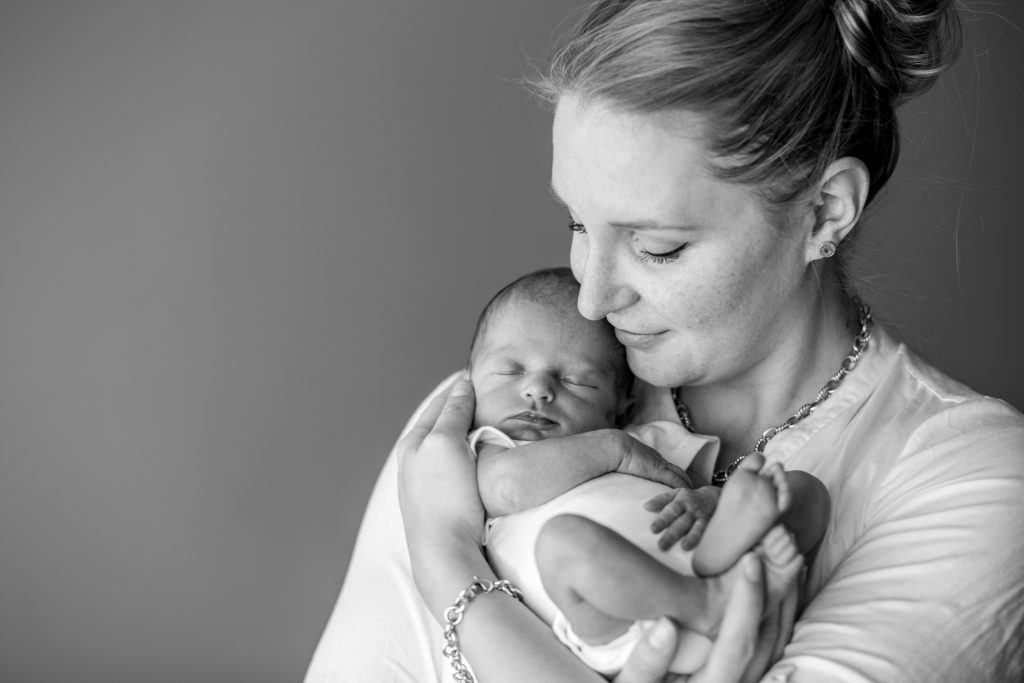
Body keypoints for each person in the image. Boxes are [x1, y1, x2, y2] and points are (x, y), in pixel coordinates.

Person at [305, 1, 1024, 682]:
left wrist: (449, 563)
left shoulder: (972, 479)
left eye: (656, 247)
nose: (591, 298)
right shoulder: (514, 404)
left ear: (824, 212)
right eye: (580, 225)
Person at [466, 267, 825, 676]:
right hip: (614, 618)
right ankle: (707, 605)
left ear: (621, 407)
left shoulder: (646, 439)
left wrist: (709, 502)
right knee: (563, 541)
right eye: (511, 370)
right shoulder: (493, 446)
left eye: (576, 380)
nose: (538, 389)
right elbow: (507, 489)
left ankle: (722, 569)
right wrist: (614, 450)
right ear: (470, 383)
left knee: (805, 490)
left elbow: (689, 488)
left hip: (705, 560)